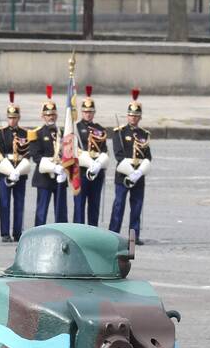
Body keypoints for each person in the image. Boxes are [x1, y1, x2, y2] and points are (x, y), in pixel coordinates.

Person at [109, 89, 152, 242]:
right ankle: (112, 234)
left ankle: (134, 237)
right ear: (127, 116)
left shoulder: (144, 134)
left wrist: (138, 173)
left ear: (139, 117)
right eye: (131, 115)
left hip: (138, 176)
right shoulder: (119, 133)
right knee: (119, 206)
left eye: (136, 116)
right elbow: (118, 155)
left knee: (136, 208)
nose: (133, 118)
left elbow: (148, 156)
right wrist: (130, 172)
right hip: (123, 175)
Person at [0, 92, 33, 243]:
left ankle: (17, 232)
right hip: (5, 170)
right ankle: (5, 233)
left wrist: (18, 170)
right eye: (10, 118)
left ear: (19, 118)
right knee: (4, 203)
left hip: (20, 170)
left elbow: (29, 152)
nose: (12, 120)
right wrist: (10, 170)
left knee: (19, 202)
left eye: (15, 118)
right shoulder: (1, 133)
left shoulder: (26, 133)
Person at [73, 87, 110, 227]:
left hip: (97, 172)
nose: (88, 114)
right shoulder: (76, 128)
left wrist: (99, 164)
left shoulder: (100, 129)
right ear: (82, 112)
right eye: (85, 112)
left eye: (90, 112)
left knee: (94, 205)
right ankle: (78, 231)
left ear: (94, 113)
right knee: (79, 205)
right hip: (82, 172)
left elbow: (104, 150)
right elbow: (73, 150)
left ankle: (93, 231)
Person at [32, 86, 68, 226]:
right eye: (47, 114)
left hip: (61, 177)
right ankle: (38, 235)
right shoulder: (38, 133)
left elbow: (69, 152)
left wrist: (64, 168)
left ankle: (62, 234)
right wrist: (54, 168)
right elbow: (36, 156)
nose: (51, 117)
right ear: (43, 117)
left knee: (61, 211)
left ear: (57, 115)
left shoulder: (64, 133)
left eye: (53, 114)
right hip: (44, 178)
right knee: (41, 211)